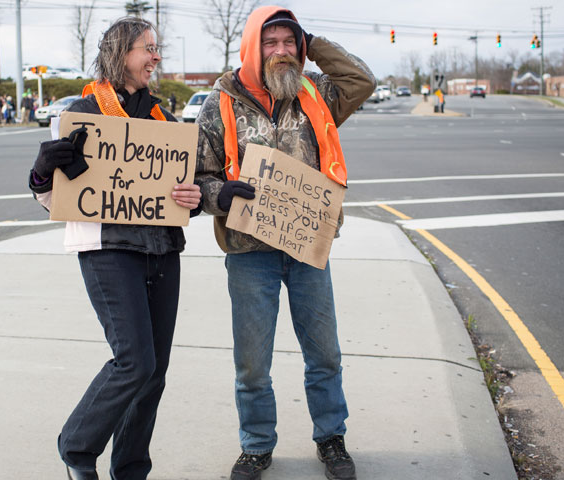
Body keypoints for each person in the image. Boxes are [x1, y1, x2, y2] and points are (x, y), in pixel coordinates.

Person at [194, 6, 375, 480]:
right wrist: (220, 195)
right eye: (270, 43)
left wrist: (314, 44)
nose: (280, 52)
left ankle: (331, 439)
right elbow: (199, 178)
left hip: (307, 247)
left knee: (325, 355)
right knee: (252, 364)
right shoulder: (221, 102)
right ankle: (256, 446)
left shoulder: (315, 93)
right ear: (253, 46)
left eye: (288, 43)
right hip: (248, 254)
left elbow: (362, 80)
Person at [28, 16, 201, 480]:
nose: (156, 57)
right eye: (149, 48)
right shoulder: (83, 113)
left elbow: (186, 191)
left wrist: (194, 197)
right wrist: (43, 170)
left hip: (162, 250)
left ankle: (130, 470)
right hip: (108, 249)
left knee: (154, 373)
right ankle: (77, 448)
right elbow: (52, 198)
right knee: (134, 360)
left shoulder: (163, 120)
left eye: (156, 47)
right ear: (123, 52)